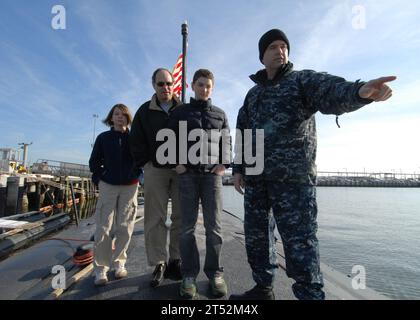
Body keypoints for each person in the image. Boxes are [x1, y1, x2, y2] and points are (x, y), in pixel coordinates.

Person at [230, 29, 396, 300]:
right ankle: (263, 288)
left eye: (284, 46)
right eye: (273, 46)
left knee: (300, 244)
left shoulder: (301, 81)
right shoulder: (252, 95)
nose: (280, 50)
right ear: (262, 56)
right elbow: (243, 134)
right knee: (257, 237)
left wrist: (360, 92)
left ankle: (310, 295)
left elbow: (331, 90)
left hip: (293, 181)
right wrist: (238, 169)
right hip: (257, 179)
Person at [168, 69, 232, 299]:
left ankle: (215, 273)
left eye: (208, 86)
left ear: (212, 89)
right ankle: (188, 275)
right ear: (192, 86)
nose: (204, 89)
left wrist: (224, 165)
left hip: (212, 177)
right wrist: (177, 164)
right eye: (201, 84)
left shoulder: (220, 114)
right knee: (186, 228)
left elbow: (227, 141)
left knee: (214, 228)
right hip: (187, 176)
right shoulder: (180, 112)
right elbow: (169, 138)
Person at [129, 68, 182, 287]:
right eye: (160, 84)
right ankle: (159, 262)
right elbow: (136, 140)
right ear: (153, 85)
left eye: (169, 83)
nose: (165, 88)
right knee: (155, 218)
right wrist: (146, 164)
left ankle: (175, 260)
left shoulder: (183, 109)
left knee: (181, 216)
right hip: (156, 170)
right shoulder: (144, 111)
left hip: (180, 171)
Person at [89, 103, 140, 286]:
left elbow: (141, 159)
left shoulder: (134, 138)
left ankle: (120, 263)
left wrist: (138, 176)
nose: (120, 117)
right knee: (103, 227)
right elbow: (94, 162)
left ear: (128, 118)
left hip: (130, 186)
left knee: (125, 227)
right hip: (108, 185)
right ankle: (101, 269)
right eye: (116, 114)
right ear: (111, 117)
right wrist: (100, 178)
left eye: (123, 114)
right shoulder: (103, 138)